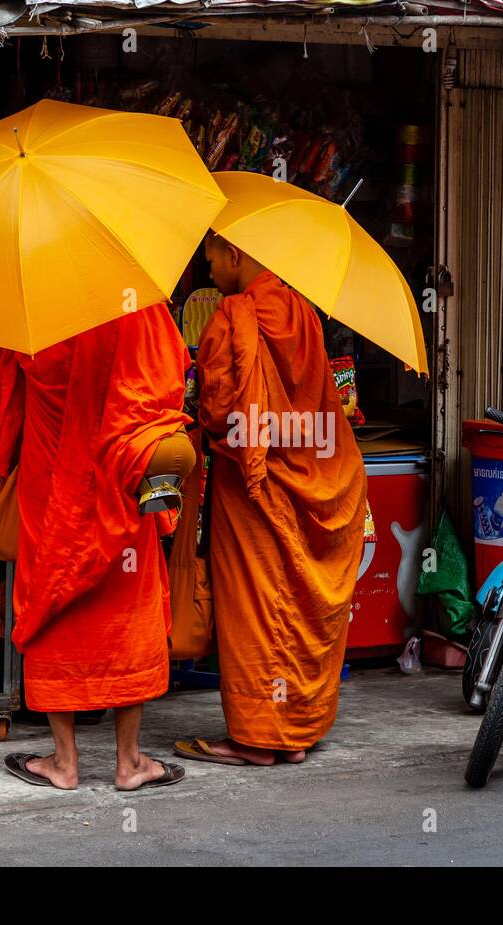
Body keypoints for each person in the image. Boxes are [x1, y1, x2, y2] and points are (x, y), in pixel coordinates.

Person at [173, 234, 367, 767]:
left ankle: (257, 738)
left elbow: (218, 413)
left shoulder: (232, 317)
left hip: (252, 489)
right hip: (311, 474)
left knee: (256, 608)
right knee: (294, 603)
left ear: (234, 254)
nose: (207, 266)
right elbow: (313, 396)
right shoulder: (303, 312)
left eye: (210, 254)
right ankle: (294, 728)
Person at [0, 303, 193, 792]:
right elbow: (165, 390)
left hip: (52, 488)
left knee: (53, 604)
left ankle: (64, 762)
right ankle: (129, 762)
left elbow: (5, 394)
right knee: (125, 608)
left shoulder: (30, 308)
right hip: (118, 484)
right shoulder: (137, 306)